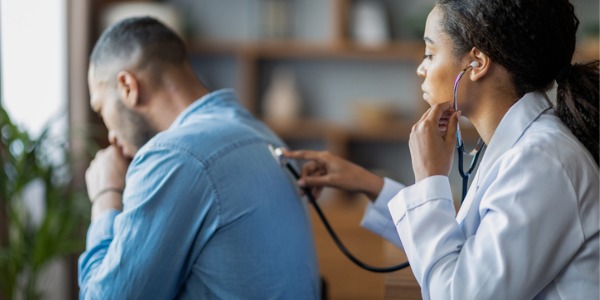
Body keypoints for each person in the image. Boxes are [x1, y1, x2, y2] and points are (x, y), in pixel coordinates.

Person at [284, 0, 599, 299]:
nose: (421, 69)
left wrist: (429, 178)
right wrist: (365, 183)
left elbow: (455, 291)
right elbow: (458, 245)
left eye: (430, 53)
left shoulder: (542, 162)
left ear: (476, 63)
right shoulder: (521, 148)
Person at [78, 17, 320, 299]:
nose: (110, 136)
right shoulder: (264, 135)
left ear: (128, 87)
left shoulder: (173, 156)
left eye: (101, 108)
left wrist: (106, 196)